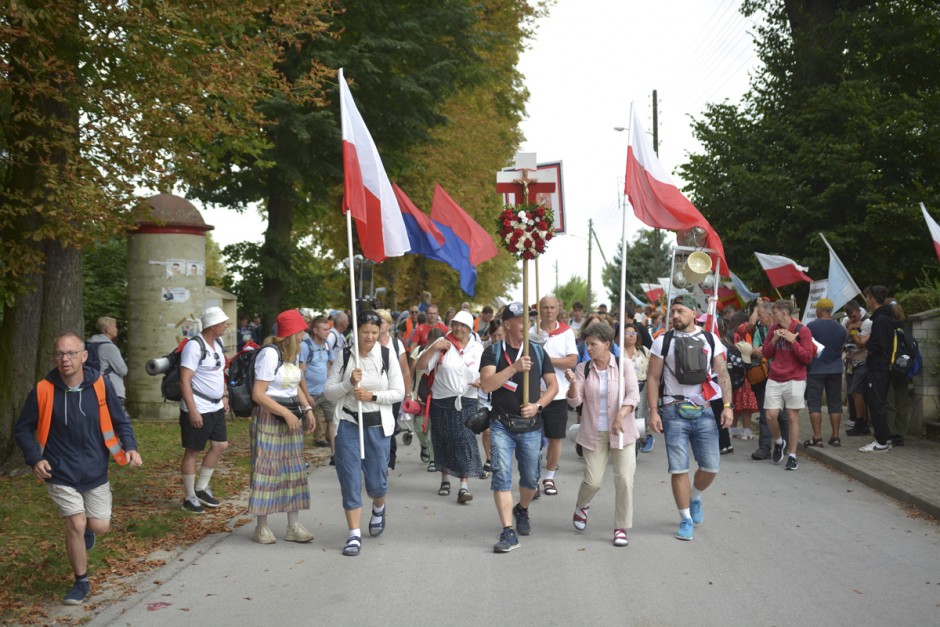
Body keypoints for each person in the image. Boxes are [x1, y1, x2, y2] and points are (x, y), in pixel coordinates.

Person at [14, 332, 142, 605]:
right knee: (75, 521)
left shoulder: (100, 384)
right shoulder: (43, 390)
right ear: (54, 358)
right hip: (59, 470)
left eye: (71, 353)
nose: (65, 359)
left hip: (95, 469)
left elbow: (121, 420)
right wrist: (35, 458)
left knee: (99, 525)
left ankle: (87, 531)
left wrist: (130, 446)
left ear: (84, 356)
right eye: (59, 353)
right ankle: (81, 582)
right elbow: (23, 428)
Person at [646, 295, 733, 541]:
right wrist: (654, 410)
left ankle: (694, 497)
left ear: (694, 312)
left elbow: (723, 374)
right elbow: (653, 378)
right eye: (672, 311)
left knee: (711, 467)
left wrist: (727, 406)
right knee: (679, 468)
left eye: (680, 311)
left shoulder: (710, 338)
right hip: (674, 409)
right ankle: (685, 518)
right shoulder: (663, 341)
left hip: (704, 409)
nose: (675, 316)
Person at [324, 310, 405, 556]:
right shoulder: (346, 355)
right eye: (365, 332)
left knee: (376, 484)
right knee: (349, 478)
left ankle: (379, 507)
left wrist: (372, 396)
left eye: (374, 332)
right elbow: (328, 392)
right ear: (356, 332)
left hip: (377, 426)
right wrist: (349, 384)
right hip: (349, 423)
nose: (369, 336)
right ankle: (354, 534)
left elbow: (398, 392)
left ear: (380, 331)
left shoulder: (387, 355)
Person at [480, 302, 558, 553]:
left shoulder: (537, 351)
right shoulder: (492, 352)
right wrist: (514, 368)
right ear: (507, 323)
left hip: (531, 425)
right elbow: (487, 385)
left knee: (531, 480)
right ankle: (508, 531)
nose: (528, 323)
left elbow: (553, 386)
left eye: (530, 319)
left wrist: (538, 406)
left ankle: (521, 509)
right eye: (523, 319)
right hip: (501, 424)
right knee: (501, 475)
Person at [565, 321, 639, 547]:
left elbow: (633, 395)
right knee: (593, 481)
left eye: (593, 344)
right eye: (586, 344)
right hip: (593, 432)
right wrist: (571, 385)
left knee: (625, 480)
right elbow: (575, 401)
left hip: (622, 432)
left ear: (607, 344)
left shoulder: (624, 365)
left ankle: (621, 527)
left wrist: (620, 415)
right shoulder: (583, 368)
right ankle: (582, 505)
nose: (588, 348)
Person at [248, 309, 317, 544]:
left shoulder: (290, 354)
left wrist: (306, 408)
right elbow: (258, 394)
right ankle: (262, 527)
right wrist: (286, 413)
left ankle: (292, 525)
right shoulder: (269, 354)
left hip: (290, 415)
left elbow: (294, 385)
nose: (303, 335)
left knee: (293, 470)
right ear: (291, 333)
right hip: (270, 417)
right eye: (301, 331)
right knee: (267, 470)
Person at [415, 310, 484, 503]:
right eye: (455, 324)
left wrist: (481, 380)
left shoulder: (477, 348)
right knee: (444, 439)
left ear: (470, 328)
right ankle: (445, 478)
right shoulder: (442, 344)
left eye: (463, 325)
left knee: (465, 439)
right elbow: (420, 366)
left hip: (468, 399)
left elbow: (485, 370)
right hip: (442, 399)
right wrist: (432, 348)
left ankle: (464, 486)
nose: (458, 328)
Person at [178, 307, 230, 513]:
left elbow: (219, 373)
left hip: (215, 405)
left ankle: (201, 488)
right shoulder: (194, 346)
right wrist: (192, 411)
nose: (226, 325)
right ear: (212, 325)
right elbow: (184, 380)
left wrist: (224, 395)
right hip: (199, 406)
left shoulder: (218, 343)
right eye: (223, 322)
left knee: (220, 445)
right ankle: (189, 496)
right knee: (193, 451)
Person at [761, 299, 815, 470]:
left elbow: (807, 357)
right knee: (770, 415)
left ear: (784, 313)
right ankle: (778, 441)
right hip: (775, 377)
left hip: (795, 378)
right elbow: (765, 353)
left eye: (775, 313)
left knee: (792, 416)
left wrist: (793, 341)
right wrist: (774, 340)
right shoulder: (773, 329)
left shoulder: (803, 331)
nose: (772, 315)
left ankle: (792, 456)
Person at [534, 295, 578, 497]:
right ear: (540, 309)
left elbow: (571, 361)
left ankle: (549, 477)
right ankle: (532, 477)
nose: (549, 311)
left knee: (555, 439)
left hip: (558, 394)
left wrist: (545, 359)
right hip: (534, 394)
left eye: (552, 307)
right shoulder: (531, 332)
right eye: (545, 307)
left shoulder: (566, 333)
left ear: (558, 309)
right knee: (531, 439)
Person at [805, 298, 847, 447]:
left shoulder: (811, 327)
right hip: (835, 369)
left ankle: (817, 436)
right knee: (835, 403)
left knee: (814, 404)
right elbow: (842, 348)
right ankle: (835, 437)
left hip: (815, 369)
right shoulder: (841, 328)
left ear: (819, 311)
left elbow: (807, 347)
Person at [859, 286, 896, 452]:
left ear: (873, 299)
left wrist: (867, 342)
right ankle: (885, 438)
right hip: (881, 367)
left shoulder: (880, 320)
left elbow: (880, 345)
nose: (866, 301)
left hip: (878, 368)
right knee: (877, 403)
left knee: (876, 404)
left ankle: (881, 441)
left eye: (867, 297)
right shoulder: (885, 318)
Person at [376, 309, 411, 470]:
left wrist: (408, 393)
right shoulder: (368, 341)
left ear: (389, 325)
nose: (378, 324)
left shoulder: (396, 344)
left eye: (382, 321)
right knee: (376, 426)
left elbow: (405, 370)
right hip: (374, 392)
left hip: (393, 392)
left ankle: (388, 459)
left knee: (388, 425)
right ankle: (377, 459)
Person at [301, 315, 332, 448]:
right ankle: (297, 456)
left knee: (333, 419)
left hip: (325, 392)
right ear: (315, 331)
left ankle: (335, 454)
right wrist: (306, 395)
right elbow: (300, 373)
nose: (328, 332)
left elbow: (331, 364)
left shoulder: (327, 344)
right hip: (309, 393)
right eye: (324, 329)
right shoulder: (305, 346)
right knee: (303, 426)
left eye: (328, 329)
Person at [622, 321, 654, 453]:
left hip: (642, 385)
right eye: (627, 333)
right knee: (626, 413)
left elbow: (652, 371)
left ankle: (639, 440)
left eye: (633, 333)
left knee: (641, 414)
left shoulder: (644, 351)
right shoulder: (618, 351)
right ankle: (625, 439)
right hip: (623, 387)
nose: (631, 336)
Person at [844, 300, 873, 436]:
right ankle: (862, 423)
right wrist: (850, 328)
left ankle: (860, 421)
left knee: (856, 391)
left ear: (858, 310)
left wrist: (853, 329)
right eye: (850, 317)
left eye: (854, 316)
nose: (852, 319)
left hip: (863, 362)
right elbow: (842, 340)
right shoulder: (849, 322)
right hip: (851, 363)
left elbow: (861, 343)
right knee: (855, 393)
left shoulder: (867, 322)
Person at [87, 316, 129, 410]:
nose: (116, 329)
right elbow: (123, 370)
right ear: (108, 329)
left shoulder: (90, 344)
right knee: (120, 421)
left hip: (95, 387)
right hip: (112, 390)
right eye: (115, 326)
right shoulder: (109, 347)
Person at [886, 300, 912, 446]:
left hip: (890, 369)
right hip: (904, 369)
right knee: (902, 402)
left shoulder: (888, 328)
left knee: (890, 402)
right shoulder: (905, 329)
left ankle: (891, 432)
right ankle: (900, 435)